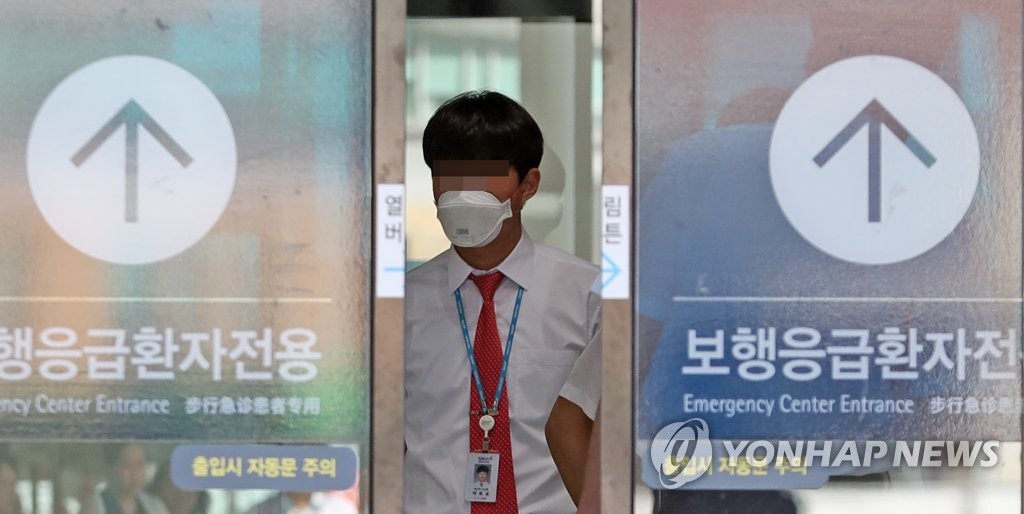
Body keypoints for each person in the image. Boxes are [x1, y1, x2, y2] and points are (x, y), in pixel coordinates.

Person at [404, 90, 601, 513]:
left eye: (481, 176)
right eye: (447, 175)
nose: (460, 193)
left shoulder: (587, 295)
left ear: (527, 185)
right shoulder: (401, 305)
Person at [81, 444, 170, 514]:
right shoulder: (94, 507)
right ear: (110, 469)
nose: (135, 473)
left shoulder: (155, 507)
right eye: (126, 465)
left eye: (140, 464)